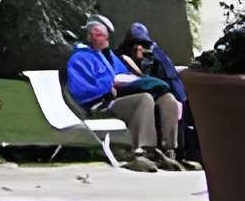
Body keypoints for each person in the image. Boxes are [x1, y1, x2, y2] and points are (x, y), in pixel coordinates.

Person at [64, 15, 183, 171]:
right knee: (144, 99)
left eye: (104, 35)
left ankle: (169, 150)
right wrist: (109, 86)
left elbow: (127, 76)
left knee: (167, 99)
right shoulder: (79, 59)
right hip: (102, 104)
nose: (102, 39)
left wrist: (133, 81)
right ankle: (142, 151)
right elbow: (80, 92)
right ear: (89, 35)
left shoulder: (110, 56)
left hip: (122, 97)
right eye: (97, 34)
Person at [127, 20, 197, 164]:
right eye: (136, 43)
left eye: (143, 43)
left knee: (170, 101)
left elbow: (170, 78)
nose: (139, 47)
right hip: (133, 92)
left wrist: (152, 57)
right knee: (145, 99)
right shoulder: (122, 56)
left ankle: (170, 150)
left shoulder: (156, 56)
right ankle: (146, 149)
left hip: (156, 91)